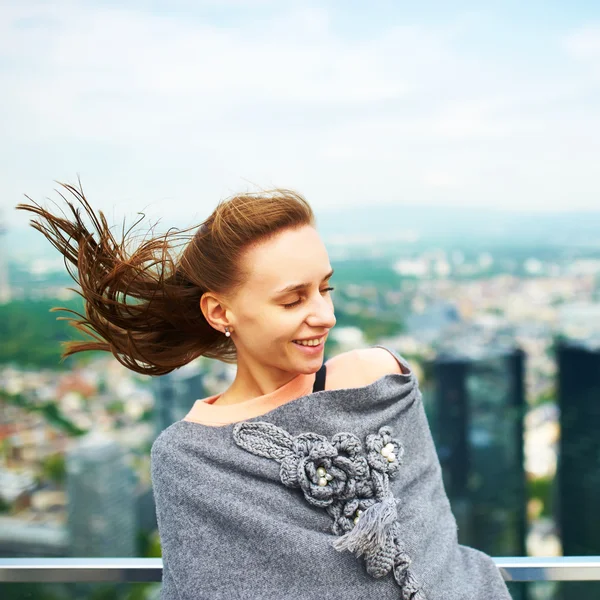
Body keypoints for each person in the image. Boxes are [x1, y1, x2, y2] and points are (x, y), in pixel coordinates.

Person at [17, 183, 512, 599]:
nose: (325, 315)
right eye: (293, 298)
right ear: (220, 313)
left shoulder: (376, 380)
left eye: (325, 288)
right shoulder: (188, 457)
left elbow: (431, 544)